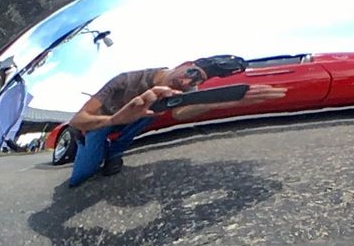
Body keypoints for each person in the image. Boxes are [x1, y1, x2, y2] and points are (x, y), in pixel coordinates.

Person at [64, 56, 245, 187]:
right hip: (103, 121)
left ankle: (114, 152)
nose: (186, 82)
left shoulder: (188, 89)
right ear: (183, 64)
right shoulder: (126, 80)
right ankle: (89, 145)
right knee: (81, 176)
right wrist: (113, 119)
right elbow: (79, 119)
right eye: (191, 73)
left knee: (152, 111)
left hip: (132, 120)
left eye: (196, 81)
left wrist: (213, 104)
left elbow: (180, 114)